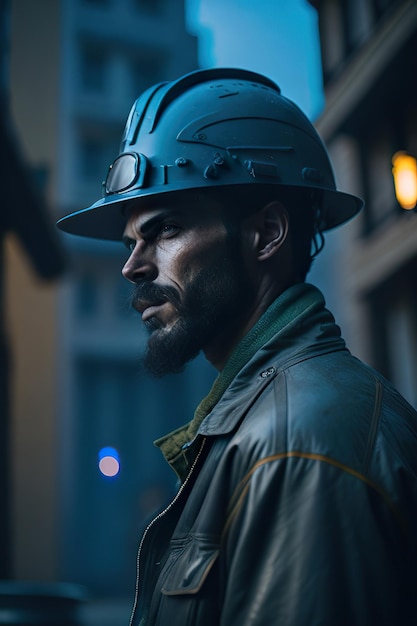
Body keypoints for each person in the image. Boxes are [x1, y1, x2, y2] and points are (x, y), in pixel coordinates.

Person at [57, 68, 417, 625]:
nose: (132, 267)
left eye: (166, 229)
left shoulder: (301, 444)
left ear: (267, 234)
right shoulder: (267, 424)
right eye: (132, 242)